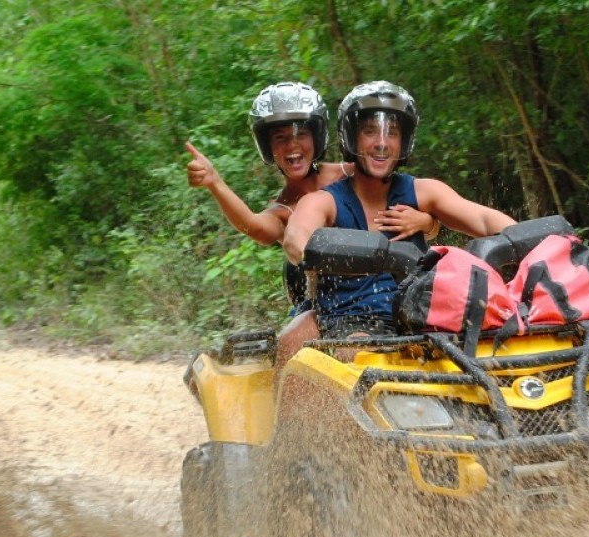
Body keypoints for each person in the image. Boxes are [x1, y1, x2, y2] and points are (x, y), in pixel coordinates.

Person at [185, 82, 438, 366]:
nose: (292, 145)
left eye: (301, 134)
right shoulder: (284, 209)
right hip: (329, 303)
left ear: (317, 137)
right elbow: (255, 227)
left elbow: (403, 191)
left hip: (390, 290)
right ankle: (288, 405)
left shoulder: (350, 173)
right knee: (293, 344)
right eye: (281, 138)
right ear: (268, 147)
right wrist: (215, 183)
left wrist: (428, 222)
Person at [283, 80, 516, 340]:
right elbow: (296, 236)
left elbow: (484, 220)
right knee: (356, 347)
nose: (382, 143)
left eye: (392, 132)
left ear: (404, 141)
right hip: (349, 324)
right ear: (351, 137)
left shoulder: (423, 191)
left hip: (422, 323)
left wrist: (521, 239)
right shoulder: (325, 201)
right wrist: (314, 252)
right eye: (370, 131)